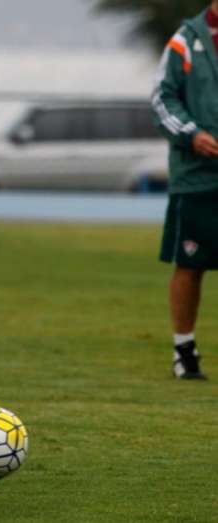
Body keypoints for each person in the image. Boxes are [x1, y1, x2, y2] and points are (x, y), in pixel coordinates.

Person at [153, 0, 218, 380]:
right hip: (196, 176)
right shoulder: (185, 40)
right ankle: (184, 350)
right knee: (190, 264)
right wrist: (191, 135)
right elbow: (162, 97)